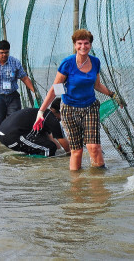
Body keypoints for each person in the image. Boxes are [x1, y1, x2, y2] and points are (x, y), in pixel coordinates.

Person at [35, 29, 123, 170]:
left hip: (90, 107)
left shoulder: (95, 62)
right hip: (69, 110)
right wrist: (41, 112)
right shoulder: (68, 63)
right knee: (77, 151)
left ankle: (99, 182)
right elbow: (54, 89)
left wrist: (114, 95)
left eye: (86, 43)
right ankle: (76, 187)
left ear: (90, 45)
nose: (83, 46)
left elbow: (97, 85)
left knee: (94, 147)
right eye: (79, 43)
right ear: (75, 45)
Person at [0, 98, 70, 157]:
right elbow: (67, 148)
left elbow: (48, 137)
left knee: (45, 145)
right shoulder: (52, 120)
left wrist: (59, 150)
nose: (65, 117)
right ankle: (42, 167)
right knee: (50, 148)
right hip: (10, 136)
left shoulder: (45, 114)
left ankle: (27, 160)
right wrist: (71, 155)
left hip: (5, 134)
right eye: (64, 114)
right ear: (54, 110)